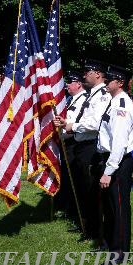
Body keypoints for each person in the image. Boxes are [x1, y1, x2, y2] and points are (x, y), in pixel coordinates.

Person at [53, 61, 111, 244]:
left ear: (98, 75)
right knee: (82, 189)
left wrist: (72, 126)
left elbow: (94, 124)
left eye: (88, 72)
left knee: (90, 190)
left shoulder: (102, 95)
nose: (84, 75)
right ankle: (86, 224)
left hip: (91, 146)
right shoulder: (92, 95)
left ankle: (94, 231)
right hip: (81, 145)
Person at [97, 64, 133, 261]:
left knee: (119, 207)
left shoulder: (122, 106)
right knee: (109, 206)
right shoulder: (114, 101)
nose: (105, 81)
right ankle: (108, 242)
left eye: (109, 79)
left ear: (119, 83)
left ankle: (120, 251)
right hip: (111, 160)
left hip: (118, 162)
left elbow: (119, 142)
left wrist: (109, 171)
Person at [54, 71, 87, 219]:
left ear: (79, 84)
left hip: (74, 141)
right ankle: (67, 205)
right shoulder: (71, 99)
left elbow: (76, 122)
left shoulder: (84, 100)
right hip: (66, 141)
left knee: (74, 177)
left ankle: (75, 210)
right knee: (66, 176)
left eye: (70, 82)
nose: (67, 85)